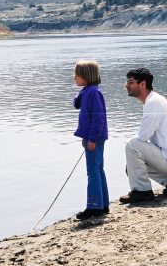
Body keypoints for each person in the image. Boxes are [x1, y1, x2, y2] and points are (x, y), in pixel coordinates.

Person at [120, 68, 167, 203]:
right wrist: (131, 164)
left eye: (130, 82)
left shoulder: (153, 102)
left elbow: (142, 136)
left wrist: (131, 163)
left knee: (132, 145)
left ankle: (142, 192)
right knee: (134, 157)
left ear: (142, 84)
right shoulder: (155, 100)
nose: (126, 85)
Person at [72, 60, 109, 219]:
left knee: (93, 171)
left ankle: (94, 206)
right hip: (91, 137)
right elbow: (76, 104)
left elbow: (98, 119)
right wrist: (81, 91)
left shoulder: (94, 92)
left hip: (94, 139)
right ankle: (103, 204)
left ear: (85, 76)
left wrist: (92, 138)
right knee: (97, 170)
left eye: (77, 75)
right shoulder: (88, 91)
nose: (74, 78)